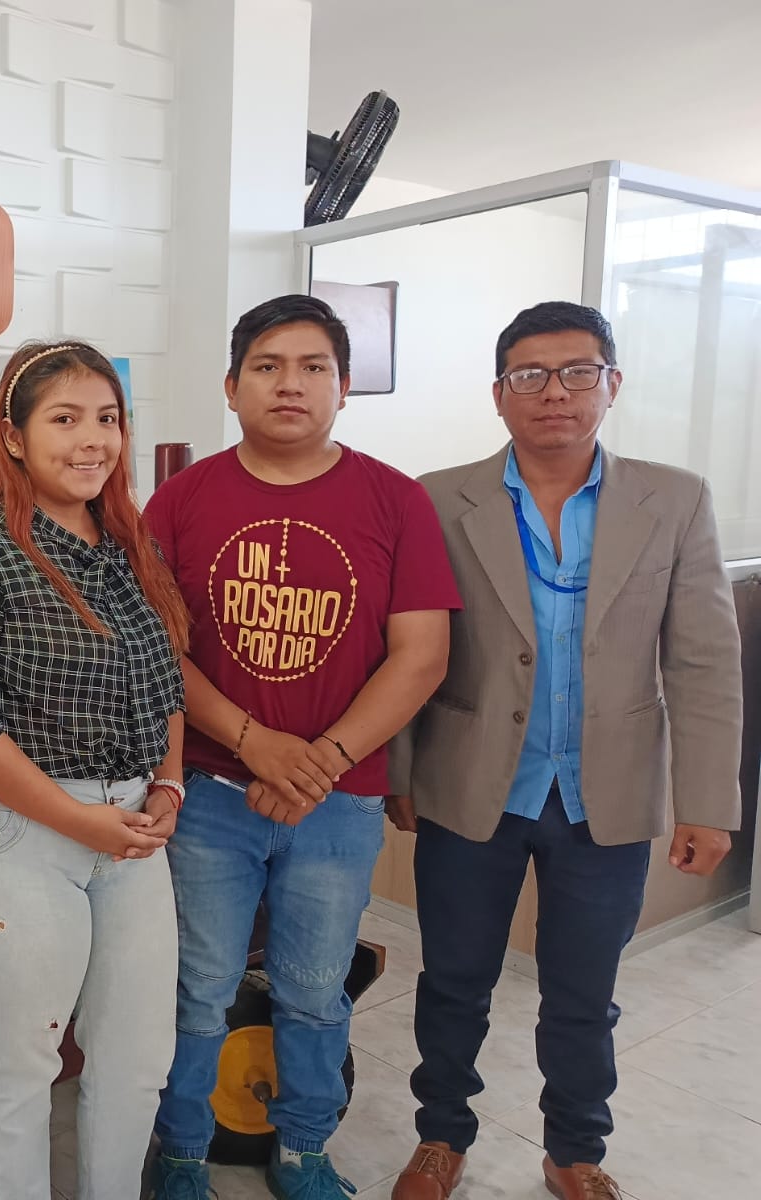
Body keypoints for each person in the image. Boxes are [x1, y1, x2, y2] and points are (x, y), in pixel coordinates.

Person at [386, 302, 743, 1200]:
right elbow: (408, 647)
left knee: (584, 991)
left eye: (578, 372)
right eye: (530, 375)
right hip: (470, 783)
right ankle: (441, 1136)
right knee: (454, 979)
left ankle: (576, 1149)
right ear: (498, 394)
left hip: (605, 793)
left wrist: (709, 803)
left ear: (611, 384)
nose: (555, 392)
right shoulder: (437, 499)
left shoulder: (674, 499)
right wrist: (399, 772)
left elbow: (702, 659)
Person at [144, 295, 462, 1200]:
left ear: (343, 386)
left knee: (316, 989)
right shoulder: (181, 500)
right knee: (199, 985)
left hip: (339, 800)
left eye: (314, 366)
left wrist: (316, 760)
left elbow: (422, 654)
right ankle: (181, 1150)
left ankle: (304, 1149)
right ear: (231, 386)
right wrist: (253, 743)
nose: (291, 384)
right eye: (268, 366)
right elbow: (155, 647)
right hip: (209, 794)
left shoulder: (395, 499)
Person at [0, 340, 193, 1200]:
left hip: (130, 827)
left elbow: (165, 680)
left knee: (138, 1057)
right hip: (16, 829)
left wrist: (169, 782)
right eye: (64, 419)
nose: (91, 439)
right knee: (23, 1062)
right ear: (14, 437)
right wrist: (79, 821)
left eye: (107, 418)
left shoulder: (129, 544)